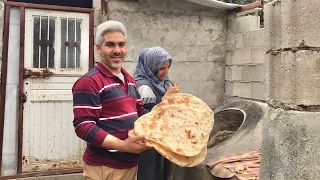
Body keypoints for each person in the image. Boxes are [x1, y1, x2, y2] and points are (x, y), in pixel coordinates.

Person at [72, 20, 149, 180]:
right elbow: (83, 126)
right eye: (110, 45)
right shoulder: (90, 81)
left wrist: (166, 111)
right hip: (104, 168)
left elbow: (141, 113)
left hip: (129, 164)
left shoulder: (129, 79)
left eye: (121, 44)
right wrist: (123, 145)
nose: (117, 50)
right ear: (99, 48)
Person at [133, 46, 180, 180]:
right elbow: (146, 119)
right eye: (161, 68)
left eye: (167, 67)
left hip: (162, 137)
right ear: (151, 67)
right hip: (148, 142)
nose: (166, 72)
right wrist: (166, 98)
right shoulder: (144, 88)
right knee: (151, 173)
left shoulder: (161, 82)